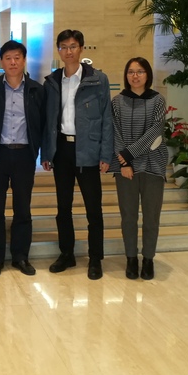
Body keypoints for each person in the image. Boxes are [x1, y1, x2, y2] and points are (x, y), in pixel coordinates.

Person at [41, 29, 114, 280]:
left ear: (81, 48)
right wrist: (46, 152)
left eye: (73, 46)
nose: (68, 51)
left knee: (93, 208)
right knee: (63, 207)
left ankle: (95, 258)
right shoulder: (52, 81)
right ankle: (67, 254)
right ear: (58, 50)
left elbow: (106, 119)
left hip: (88, 150)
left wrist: (106, 154)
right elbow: (47, 121)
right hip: (62, 150)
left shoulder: (98, 79)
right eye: (64, 47)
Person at [0, 40, 45, 277]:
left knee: (22, 209)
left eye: (17, 57)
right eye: (8, 58)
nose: (12, 62)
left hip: (24, 155)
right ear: (2, 61)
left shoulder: (36, 90)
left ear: (24, 60)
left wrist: (42, 153)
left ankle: (20, 256)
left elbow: (43, 123)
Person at [109, 57, 168, 280]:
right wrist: (124, 163)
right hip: (126, 169)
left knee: (152, 216)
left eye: (140, 71)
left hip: (153, 165)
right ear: (126, 75)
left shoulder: (158, 100)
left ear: (148, 75)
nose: (135, 76)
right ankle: (131, 258)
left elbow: (155, 131)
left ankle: (148, 259)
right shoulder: (117, 101)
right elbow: (115, 132)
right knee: (128, 216)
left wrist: (128, 154)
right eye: (131, 71)